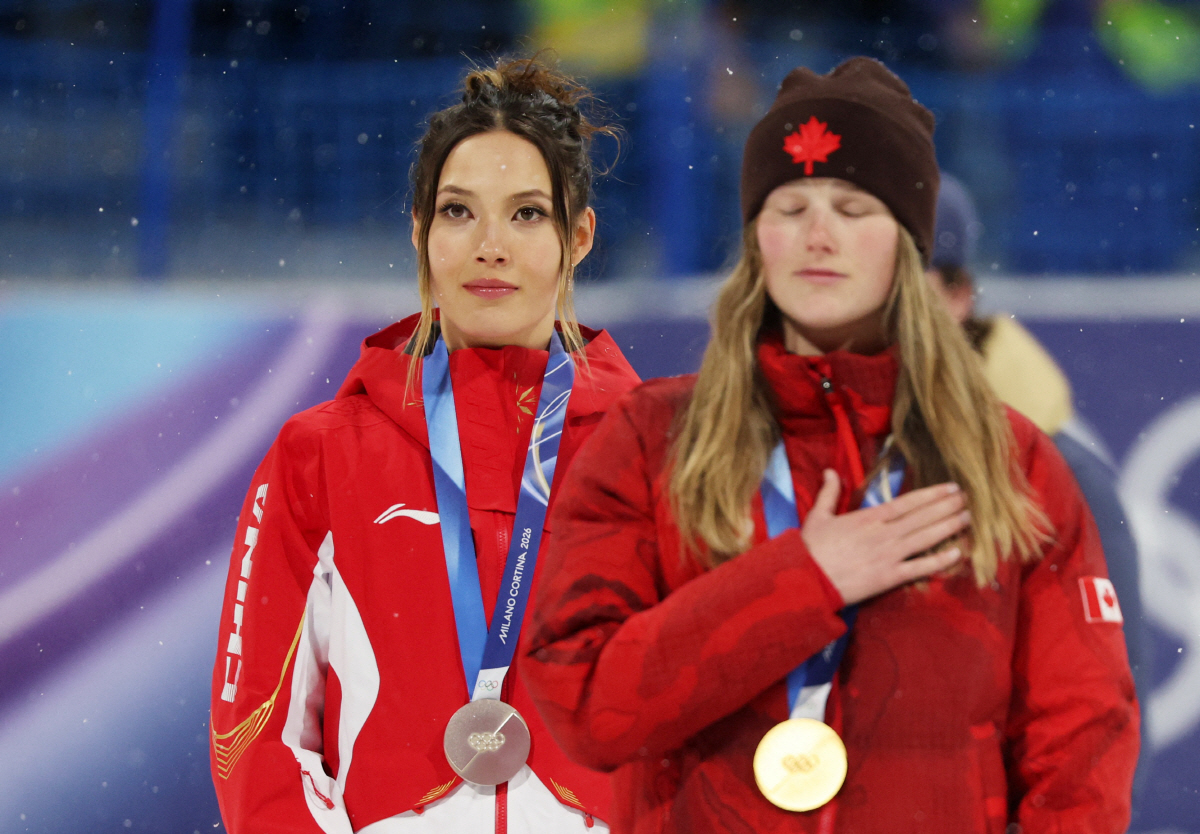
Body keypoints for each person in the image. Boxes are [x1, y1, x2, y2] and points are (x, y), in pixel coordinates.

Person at [521, 57, 1138, 833]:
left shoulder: (1011, 464)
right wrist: (801, 582)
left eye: (853, 207)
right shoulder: (650, 440)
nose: (819, 235)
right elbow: (585, 707)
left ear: (910, 248)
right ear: (756, 241)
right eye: (790, 206)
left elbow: (1080, 746)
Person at [208, 57, 639, 834]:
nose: (491, 246)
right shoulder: (320, 458)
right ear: (419, 230)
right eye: (458, 211)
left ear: (579, 236)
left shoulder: (657, 454)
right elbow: (254, 739)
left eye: (528, 214)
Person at [927, 172, 1149, 795]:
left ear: (958, 295)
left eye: (905, 276)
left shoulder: (1059, 472)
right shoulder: (823, 445)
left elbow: (1111, 723)